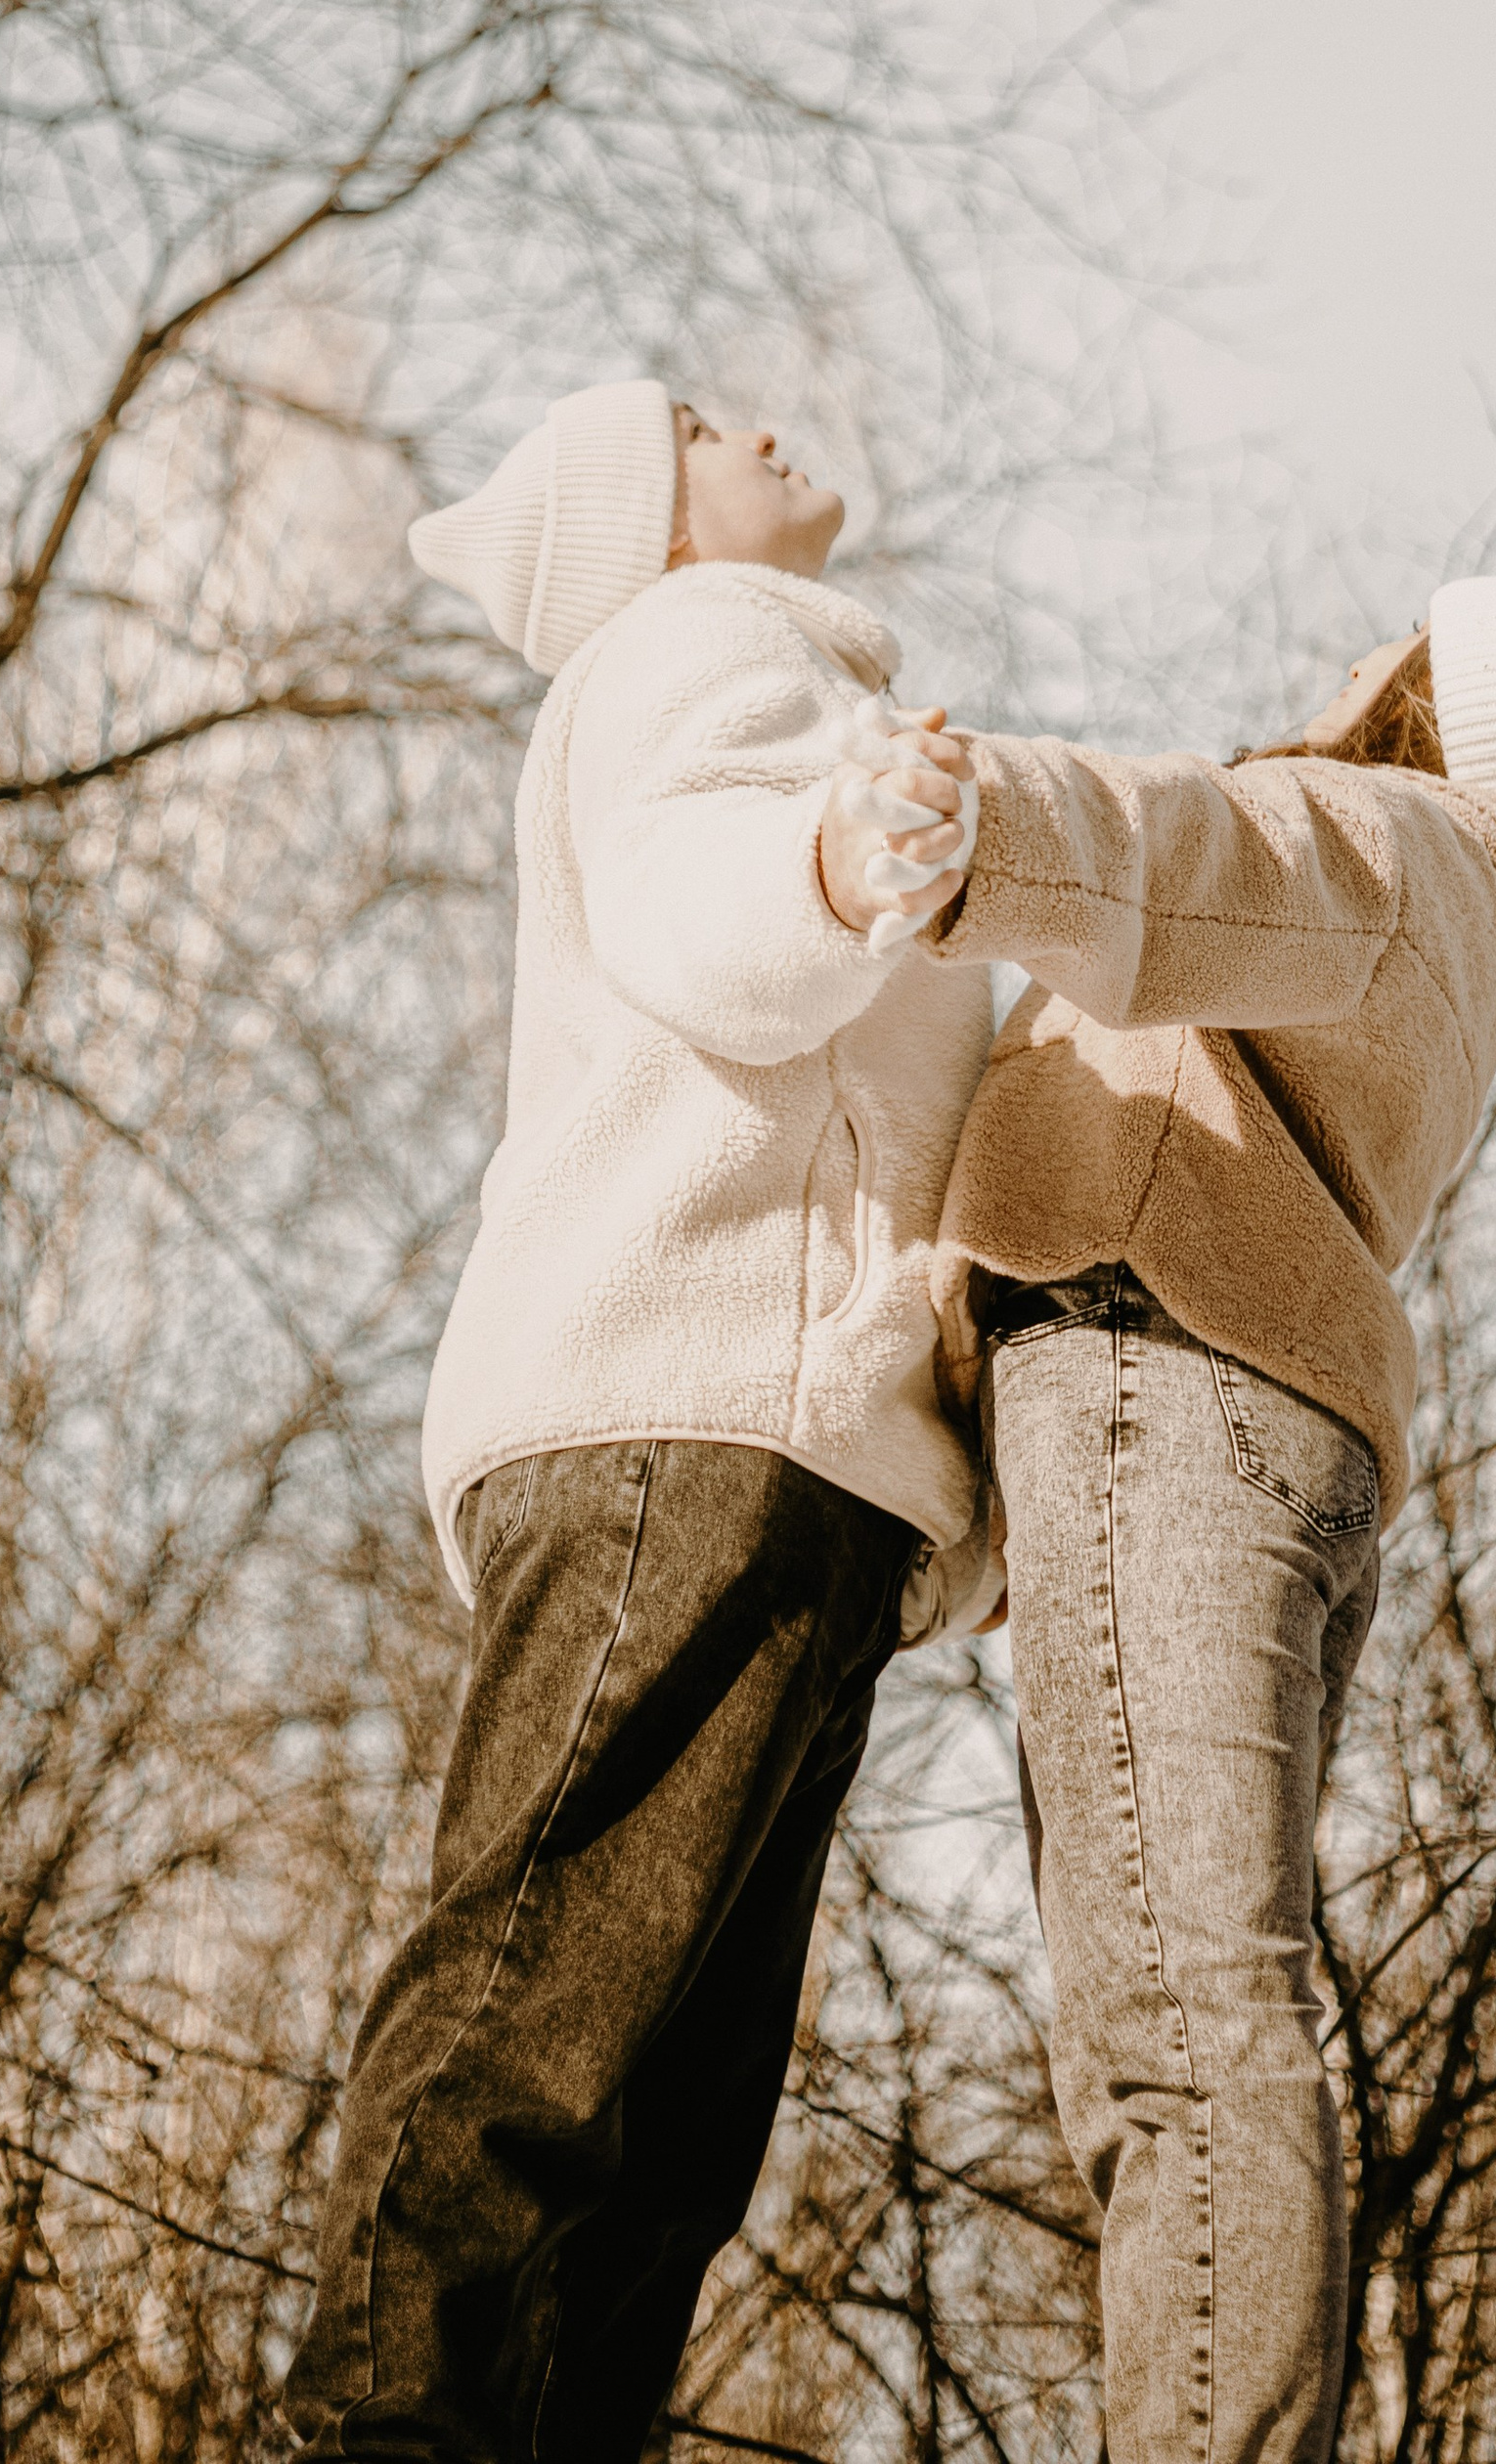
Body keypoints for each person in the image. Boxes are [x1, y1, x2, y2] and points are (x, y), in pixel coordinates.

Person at [823, 576, 1496, 2464]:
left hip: (1175, 1379)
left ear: (1432, 708)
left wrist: (971, 818)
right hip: (1256, 1429)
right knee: (1193, 2013)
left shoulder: (1390, 844)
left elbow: (1187, 858)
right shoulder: (1459, 927)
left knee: (1182, 2026)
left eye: (1382, 651)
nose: (1330, 667)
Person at [281, 379, 996, 2464]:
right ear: (644, 528)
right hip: (682, 1416)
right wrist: (836, 853)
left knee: (659, 2128)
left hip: (776, 1459)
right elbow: (710, 907)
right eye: (698, 420)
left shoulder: (777, 671)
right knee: (538, 2021)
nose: (761, 424)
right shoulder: (694, 647)